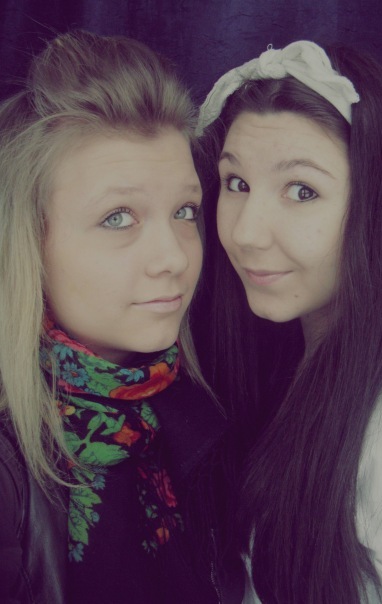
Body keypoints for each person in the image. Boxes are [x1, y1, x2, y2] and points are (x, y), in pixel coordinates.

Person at [195, 41, 382, 603]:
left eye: (302, 190)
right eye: (237, 183)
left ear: (378, 210)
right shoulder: (276, 355)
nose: (245, 232)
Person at [0, 30, 223, 604]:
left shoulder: (201, 406)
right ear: (29, 243)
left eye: (184, 211)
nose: (174, 258)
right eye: (118, 217)